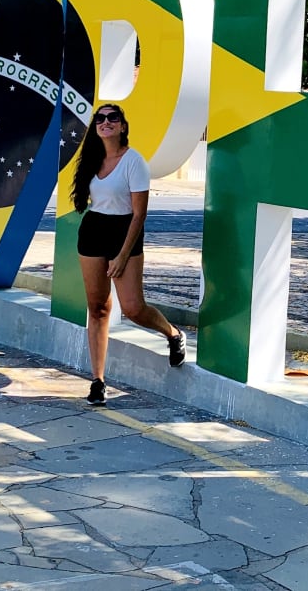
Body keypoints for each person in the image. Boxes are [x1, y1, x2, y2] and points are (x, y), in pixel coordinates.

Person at [72, 103, 186, 406]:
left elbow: (139, 214)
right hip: (94, 229)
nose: (106, 122)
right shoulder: (92, 159)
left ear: (123, 126)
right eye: (100, 118)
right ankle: (97, 381)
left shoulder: (134, 162)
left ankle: (173, 334)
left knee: (134, 308)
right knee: (97, 308)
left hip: (125, 231)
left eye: (113, 118)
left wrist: (122, 255)